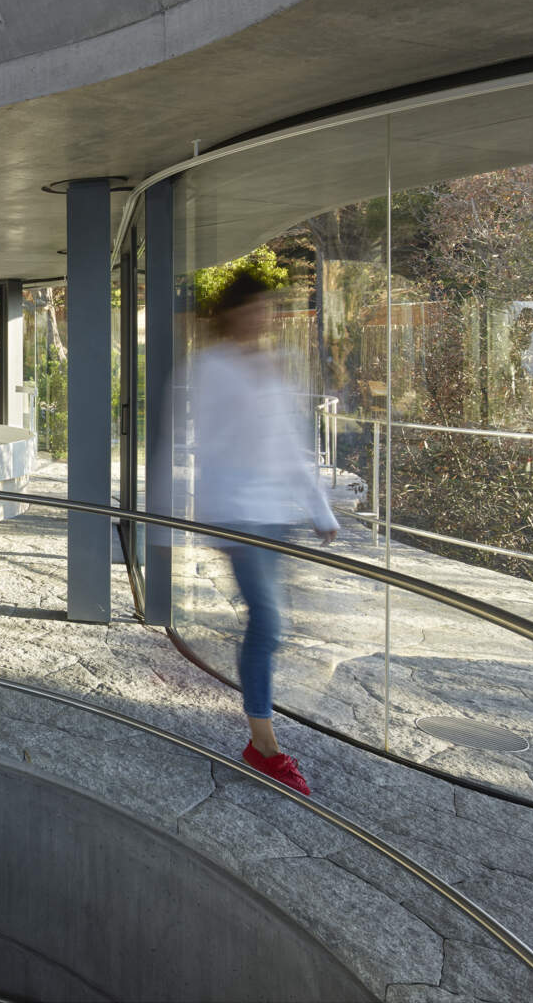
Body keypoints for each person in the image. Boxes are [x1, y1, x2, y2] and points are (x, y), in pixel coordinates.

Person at [188, 273, 339, 795]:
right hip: (235, 512)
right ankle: (264, 745)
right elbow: (204, 443)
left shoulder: (270, 368)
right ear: (230, 312)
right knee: (269, 623)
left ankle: (263, 733)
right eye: (253, 308)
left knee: (274, 625)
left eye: (267, 309)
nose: (262, 318)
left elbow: (288, 445)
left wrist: (319, 507)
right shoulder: (211, 367)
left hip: (273, 512)